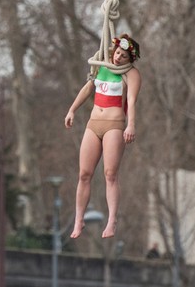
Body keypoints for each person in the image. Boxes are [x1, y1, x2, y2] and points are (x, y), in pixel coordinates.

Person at [64, 33, 141, 239]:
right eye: (117, 53)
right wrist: (72, 110)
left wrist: (131, 125)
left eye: (123, 56)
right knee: (84, 174)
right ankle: (79, 219)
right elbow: (89, 87)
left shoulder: (130, 74)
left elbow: (131, 101)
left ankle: (111, 220)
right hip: (93, 123)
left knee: (110, 174)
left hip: (114, 125)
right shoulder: (102, 64)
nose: (118, 58)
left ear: (129, 59)